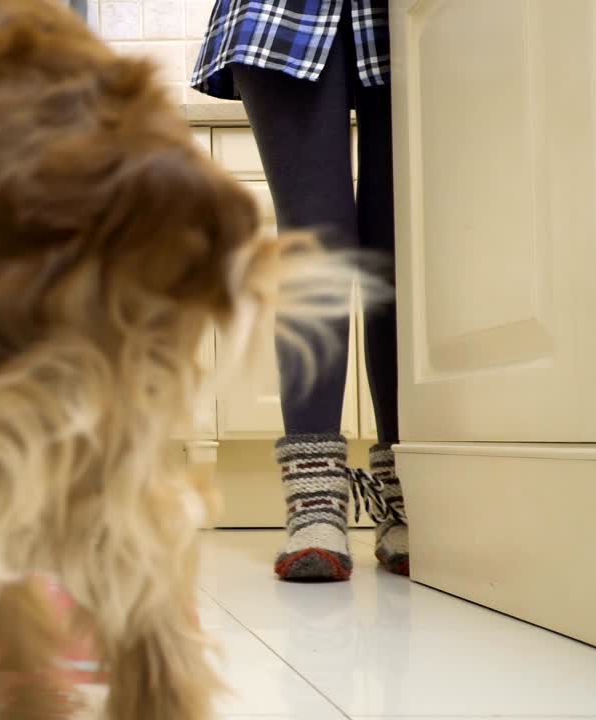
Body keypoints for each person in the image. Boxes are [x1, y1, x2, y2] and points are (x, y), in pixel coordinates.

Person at [191, 0, 408, 581]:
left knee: (402, 258)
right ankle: (315, 506)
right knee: (318, 256)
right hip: (282, 17)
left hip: (414, 18)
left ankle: (405, 494)